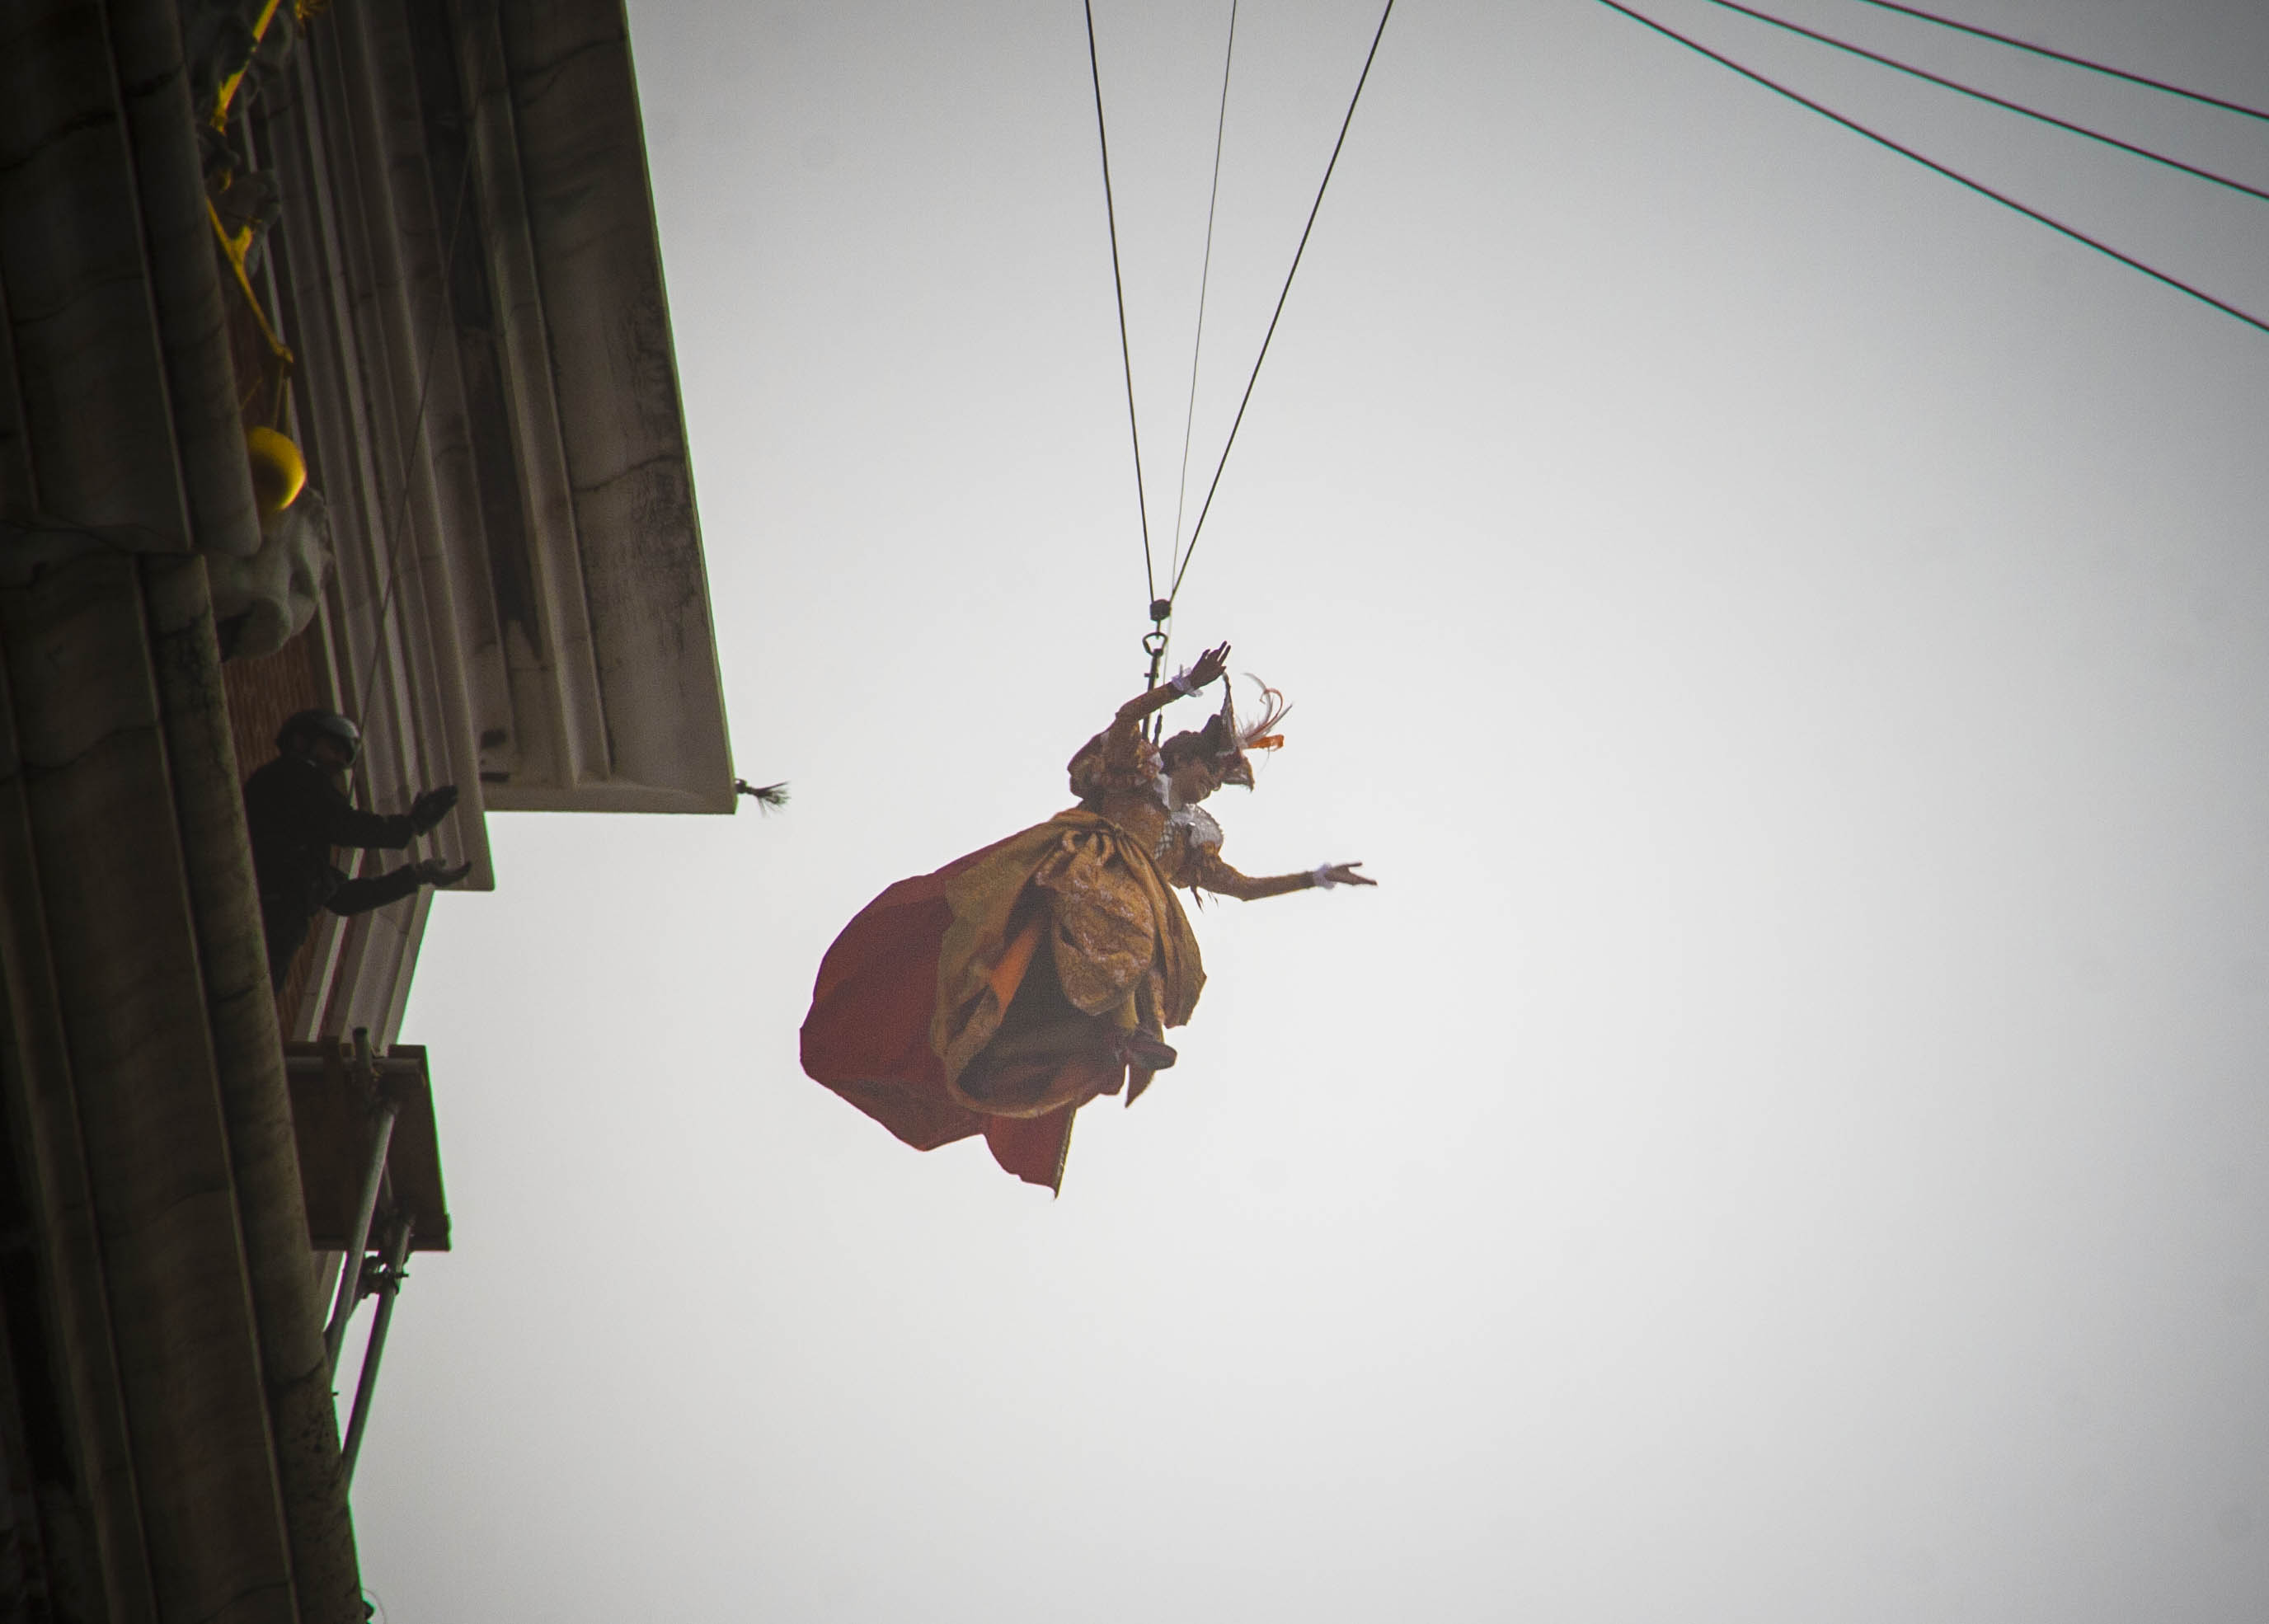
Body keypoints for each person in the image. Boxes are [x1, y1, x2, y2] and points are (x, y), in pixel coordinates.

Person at [801, 644, 1374, 1190]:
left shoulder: (1188, 838)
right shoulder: (1138, 768)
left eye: (1217, 783)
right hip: (1089, 863)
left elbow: (1242, 889)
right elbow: (1125, 719)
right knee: (1131, 919)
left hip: (1136, 892)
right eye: (1209, 773)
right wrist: (1178, 688)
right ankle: (1128, 1027)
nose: (1209, 788)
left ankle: (1131, 1035)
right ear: (1184, 757)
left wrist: (1315, 878)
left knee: (1159, 947)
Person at [242, 709, 469, 991]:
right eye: (334, 749)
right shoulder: (293, 777)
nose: (339, 762)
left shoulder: (304, 844)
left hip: (275, 926)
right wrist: (410, 826)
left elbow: (343, 899)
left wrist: (417, 876)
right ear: (302, 741)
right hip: (258, 911)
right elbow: (344, 825)